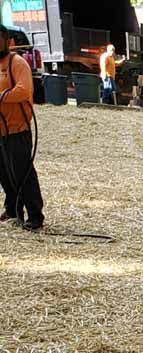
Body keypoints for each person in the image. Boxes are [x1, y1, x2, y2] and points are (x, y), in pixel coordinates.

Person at [0, 26, 43, 231]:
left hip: (17, 130)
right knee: (4, 173)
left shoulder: (17, 63)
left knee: (22, 173)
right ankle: (12, 209)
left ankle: (35, 216)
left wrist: (1, 97)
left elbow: (23, 91)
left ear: (7, 41)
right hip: (0, 132)